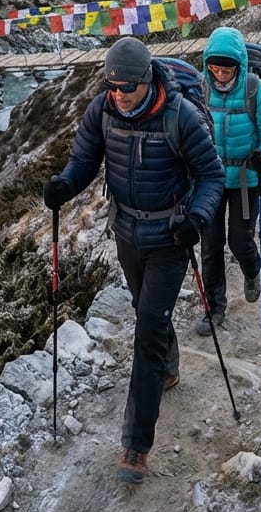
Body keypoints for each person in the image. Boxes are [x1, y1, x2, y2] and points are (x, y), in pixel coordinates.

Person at [43, 36, 224, 486]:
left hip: (170, 238)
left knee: (146, 331)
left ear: (146, 80)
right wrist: (65, 185)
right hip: (125, 232)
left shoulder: (180, 116)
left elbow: (211, 175)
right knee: (147, 312)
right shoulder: (102, 110)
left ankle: (135, 446)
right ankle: (170, 366)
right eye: (112, 86)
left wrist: (197, 219)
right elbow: (84, 161)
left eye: (127, 87)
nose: (120, 95)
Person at [196, 26, 261, 328]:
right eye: (215, 69)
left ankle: (252, 269)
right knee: (210, 245)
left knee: (239, 240)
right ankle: (214, 307)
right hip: (209, 179)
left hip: (246, 179)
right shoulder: (199, 90)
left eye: (227, 69)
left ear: (239, 65)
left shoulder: (257, 91)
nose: (220, 75)